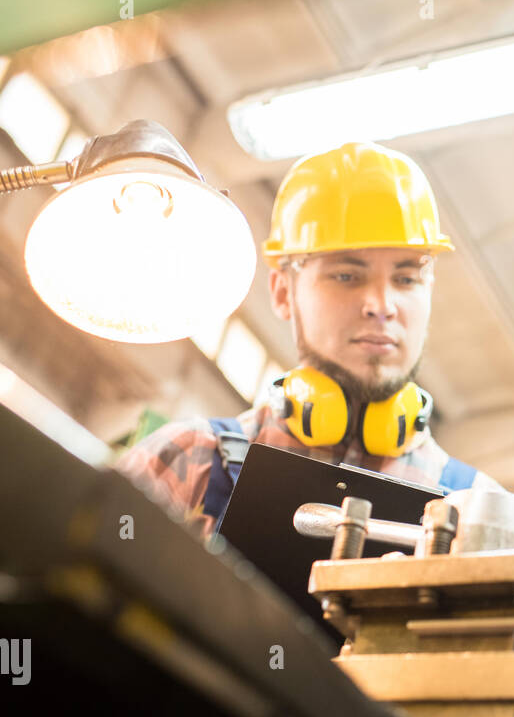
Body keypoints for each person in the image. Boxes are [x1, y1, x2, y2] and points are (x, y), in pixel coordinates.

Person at [117, 142, 494, 543]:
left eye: (406, 279)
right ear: (282, 292)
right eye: (347, 275)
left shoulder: (482, 512)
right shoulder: (187, 461)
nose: (381, 305)